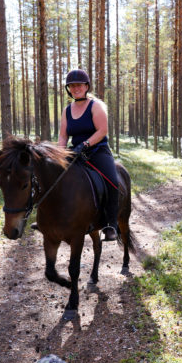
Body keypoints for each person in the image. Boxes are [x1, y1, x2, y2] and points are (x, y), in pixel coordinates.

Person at [60, 69, 119, 241]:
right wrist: (61, 153)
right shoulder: (67, 110)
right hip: (75, 152)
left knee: (112, 182)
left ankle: (110, 225)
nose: (76, 88)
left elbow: (102, 131)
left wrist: (84, 145)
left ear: (86, 86)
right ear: (69, 89)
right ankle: (52, 219)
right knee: (53, 176)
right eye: (72, 86)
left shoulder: (96, 106)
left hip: (97, 151)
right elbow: (63, 135)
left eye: (79, 85)